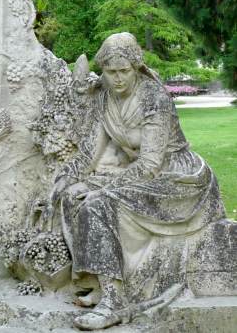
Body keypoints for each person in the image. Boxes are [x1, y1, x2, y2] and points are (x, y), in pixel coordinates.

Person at [46, 33, 225, 330]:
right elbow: (90, 152)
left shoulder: (153, 97)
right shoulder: (104, 96)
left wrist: (102, 188)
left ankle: (114, 301)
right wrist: (66, 178)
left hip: (178, 179)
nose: (117, 79)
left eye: (124, 71)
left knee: (97, 204)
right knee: (71, 196)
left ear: (136, 68)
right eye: (110, 72)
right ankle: (98, 282)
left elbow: (152, 164)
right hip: (138, 174)